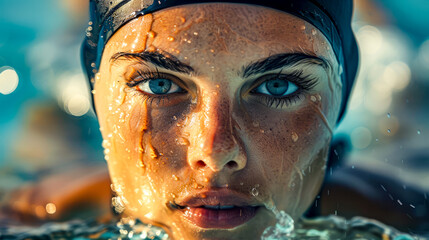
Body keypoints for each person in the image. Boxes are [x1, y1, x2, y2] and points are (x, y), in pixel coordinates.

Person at [81, 0, 358, 239]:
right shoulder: (43, 217)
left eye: (278, 85)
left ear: (340, 102)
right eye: (159, 85)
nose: (215, 154)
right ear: (96, 93)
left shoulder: (395, 219)